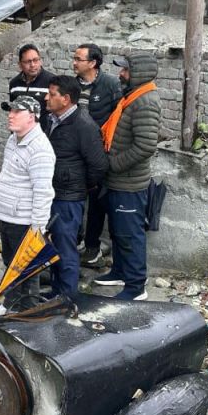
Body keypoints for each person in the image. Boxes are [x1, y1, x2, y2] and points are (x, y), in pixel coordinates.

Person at [94, 53, 161, 301]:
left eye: (125, 70)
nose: (121, 74)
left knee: (130, 235)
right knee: (118, 232)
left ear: (139, 73)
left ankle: (135, 286)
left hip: (129, 183)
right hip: (119, 181)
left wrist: (112, 164)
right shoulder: (131, 97)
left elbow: (145, 146)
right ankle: (121, 272)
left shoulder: (145, 102)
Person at [43, 76, 107, 298]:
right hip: (51, 193)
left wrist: (79, 185)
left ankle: (67, 299)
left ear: (66, 99)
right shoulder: (51, 119)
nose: (46, 98)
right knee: (52, 246)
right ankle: (56, 293)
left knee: (66, 249)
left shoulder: (84, 125)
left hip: (68, 197)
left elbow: (99, 165)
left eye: (52, 94)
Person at [0, 95, 55, 308]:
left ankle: (28, 313)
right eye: (10, 111)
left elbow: (43, 192)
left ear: (32, 117)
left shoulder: (40, 149)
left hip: (24, 222)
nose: (10, 115)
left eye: (17, 111)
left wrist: (37, 228)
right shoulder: (13, 140)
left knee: (27, 271)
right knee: (10, 264)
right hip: (7, 216)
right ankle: (11, 305)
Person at [72, 43, 122, 266]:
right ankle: (74, 242)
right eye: (74, 58)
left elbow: (119, 117)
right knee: (72, 201)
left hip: (98, 155)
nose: (74, 63)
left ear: (92, 63)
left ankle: (92, 248)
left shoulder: (110, 84)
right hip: (74, 155)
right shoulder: (72, 86)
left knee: (96, 204)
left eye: (78, 59)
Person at [8, 43, 56, 114]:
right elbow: (14, 111)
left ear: (40, 61)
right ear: (20, 65)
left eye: (35, 60)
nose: (32, 65)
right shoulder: (14, 84)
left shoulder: (52, 81)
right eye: (28, 62)